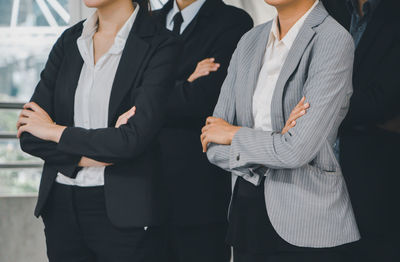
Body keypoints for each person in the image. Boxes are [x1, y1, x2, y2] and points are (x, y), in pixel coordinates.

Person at [17, 0, 180, 261]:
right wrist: (108, 151)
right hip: (62, 206)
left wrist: (54, 131)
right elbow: (29, 134)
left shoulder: (161, 44)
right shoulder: (70, 40)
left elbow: (132, 140)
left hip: (126, 213)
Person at [201, 0, 360, 261]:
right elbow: (212, 143)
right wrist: (277, 140)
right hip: (246, 215)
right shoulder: (250, 40)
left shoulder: (333, 39)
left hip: (308, 221)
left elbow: (296, 151)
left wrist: (235, 135)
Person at [150, 1, 253, 261]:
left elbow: (206, 98)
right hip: (143, 194)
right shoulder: (146, 21)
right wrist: (185, 81)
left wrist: (153, 93)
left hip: (198, 195)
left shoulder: (233, 21)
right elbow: (126, 95)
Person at [322, 0, 400, 260]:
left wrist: (317, 103)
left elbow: (382, 101)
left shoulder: (393, 13)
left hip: (375, 189)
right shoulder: (327, 8)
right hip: (318, 191)